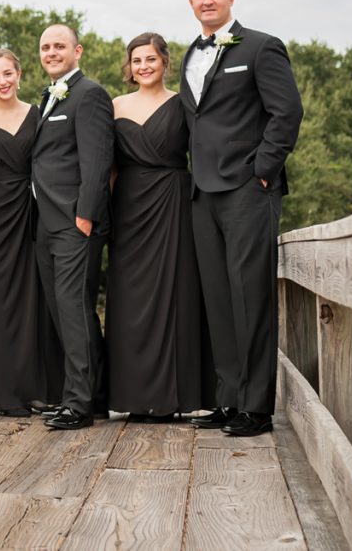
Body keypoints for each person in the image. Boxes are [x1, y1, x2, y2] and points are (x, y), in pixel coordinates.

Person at [181, 0, 303, 437]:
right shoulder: (192, 52)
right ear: (190, 2)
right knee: (219, 298)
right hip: (202, 194)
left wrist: (263, 172)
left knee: (250, 295)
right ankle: (229, 399)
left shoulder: (260, 46)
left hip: (248, 192)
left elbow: (286, 111)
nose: (207, 1)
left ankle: (256, 407)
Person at [106, 33, 212, 422]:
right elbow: (109, 166)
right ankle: (132, 395)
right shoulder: (114, 105)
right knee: (130, 298)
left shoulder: (184, 103)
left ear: (166, 62)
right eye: (137, 60)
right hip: (128, 206)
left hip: (173, 203)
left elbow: (204, 151)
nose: (144, 66)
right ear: (129, 67)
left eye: (151, 59)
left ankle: (173, 396)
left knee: (174, 295)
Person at [0, 49, 63, 416]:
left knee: (29, 297)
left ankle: (34, 387)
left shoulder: (39, 114)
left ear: (20, 74)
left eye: (8, 73)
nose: (2, 81)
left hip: (30, 210)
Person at [32, 24, 113, 430]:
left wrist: (85, 215)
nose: (51, 52)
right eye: (46, 47)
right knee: (63, 311)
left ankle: (79, 405)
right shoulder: (49, 95)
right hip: (47, 222)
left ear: (76, 50)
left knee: (74, 310)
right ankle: (89, 397)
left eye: (59, 46)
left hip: (74, 222)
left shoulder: (90, 94)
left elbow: (98, 160)